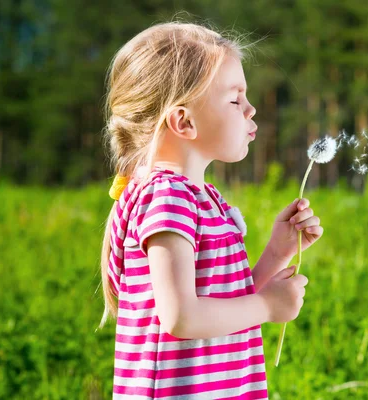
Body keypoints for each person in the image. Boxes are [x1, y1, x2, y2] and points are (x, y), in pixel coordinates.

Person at [99, 21, 324, 399]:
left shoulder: (201, 199)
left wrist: (276, 253)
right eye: (235, 99)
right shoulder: (168, 199)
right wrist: (268, 307)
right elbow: (182, 317)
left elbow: (220, 303)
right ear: (183, 121)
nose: (251, 109)